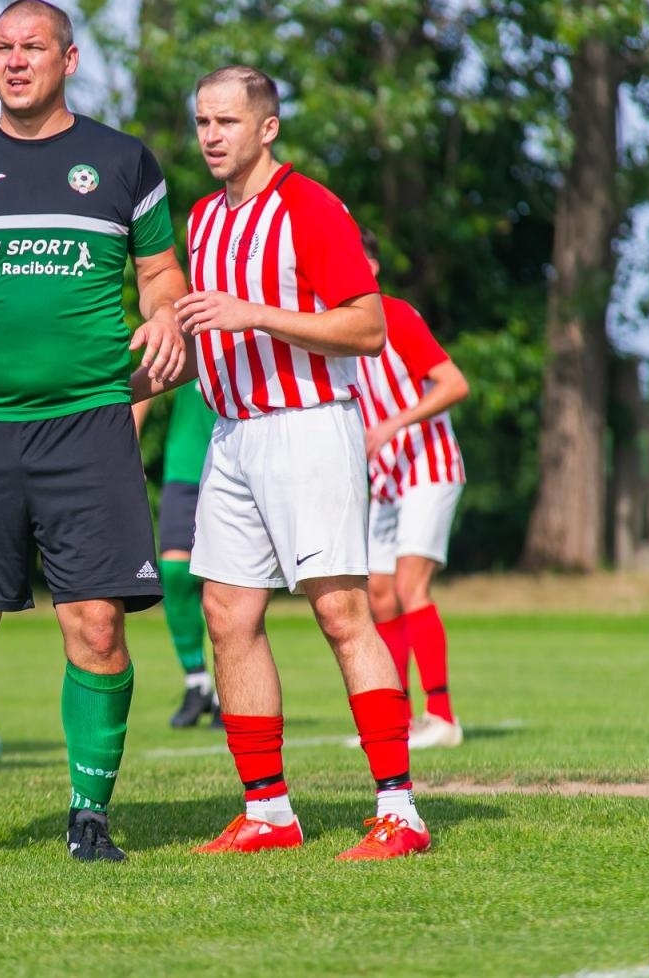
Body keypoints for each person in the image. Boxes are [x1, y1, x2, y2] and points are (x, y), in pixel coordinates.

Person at [0, 0, 188, 865]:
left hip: (89, 427)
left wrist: (166, 315)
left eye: (33, 47)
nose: (15, 61)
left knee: (96, 624)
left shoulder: (122, 161)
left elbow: (162, 272)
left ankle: (89, 818)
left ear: (70, 59)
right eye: (2, 48)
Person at [175, 65, 429, 861]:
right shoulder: (202, 219)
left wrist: (257, 314)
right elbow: (208, 336)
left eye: (226, 121)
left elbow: (366, 329)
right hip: (232, 434)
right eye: (202, 122)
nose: (212, 135)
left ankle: (401, 812)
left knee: (340, 612)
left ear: (267, 127)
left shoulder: (309, 206)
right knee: (227, 615)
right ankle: (269, 812)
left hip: (309, 426)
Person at [354, 228, 470, 749]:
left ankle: (442, 717)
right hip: (386, 479)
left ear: (372, 267)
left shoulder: (395, 316)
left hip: (428, 464)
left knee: (409, 588)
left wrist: (392, 425)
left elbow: (454, 384)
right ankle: (396, 721)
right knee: (379, 595)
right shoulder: (335, 329)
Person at [149, 382, 220, 727]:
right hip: (184, 467)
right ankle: (197, 681)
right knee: (174, 573)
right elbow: (147, 379)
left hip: (229, 463)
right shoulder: (180, 327)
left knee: (230, 584)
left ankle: (227, 689)